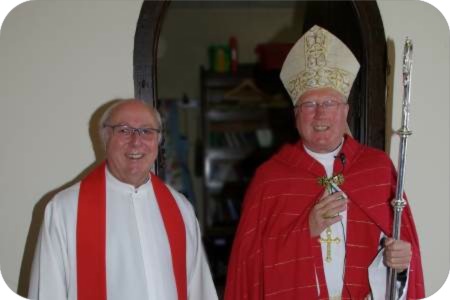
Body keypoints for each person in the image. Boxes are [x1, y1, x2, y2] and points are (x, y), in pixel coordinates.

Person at [225, 25, 424, 299]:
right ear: (296, 114)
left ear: (345, 111)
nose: (320, 115)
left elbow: (398, 263)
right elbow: (249, 269)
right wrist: (306, 230)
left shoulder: (378, 170)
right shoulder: (269, 179)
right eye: (309, 105)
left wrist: (400, 265)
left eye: (330, 103)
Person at [29, 99, 218, 300]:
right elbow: (47, 291)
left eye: (147, 131)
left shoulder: (181, 209)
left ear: (158, 141)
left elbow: (199, 290)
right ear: (105, 138)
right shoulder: (64, 210)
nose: (136, 141)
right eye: (124, 130)